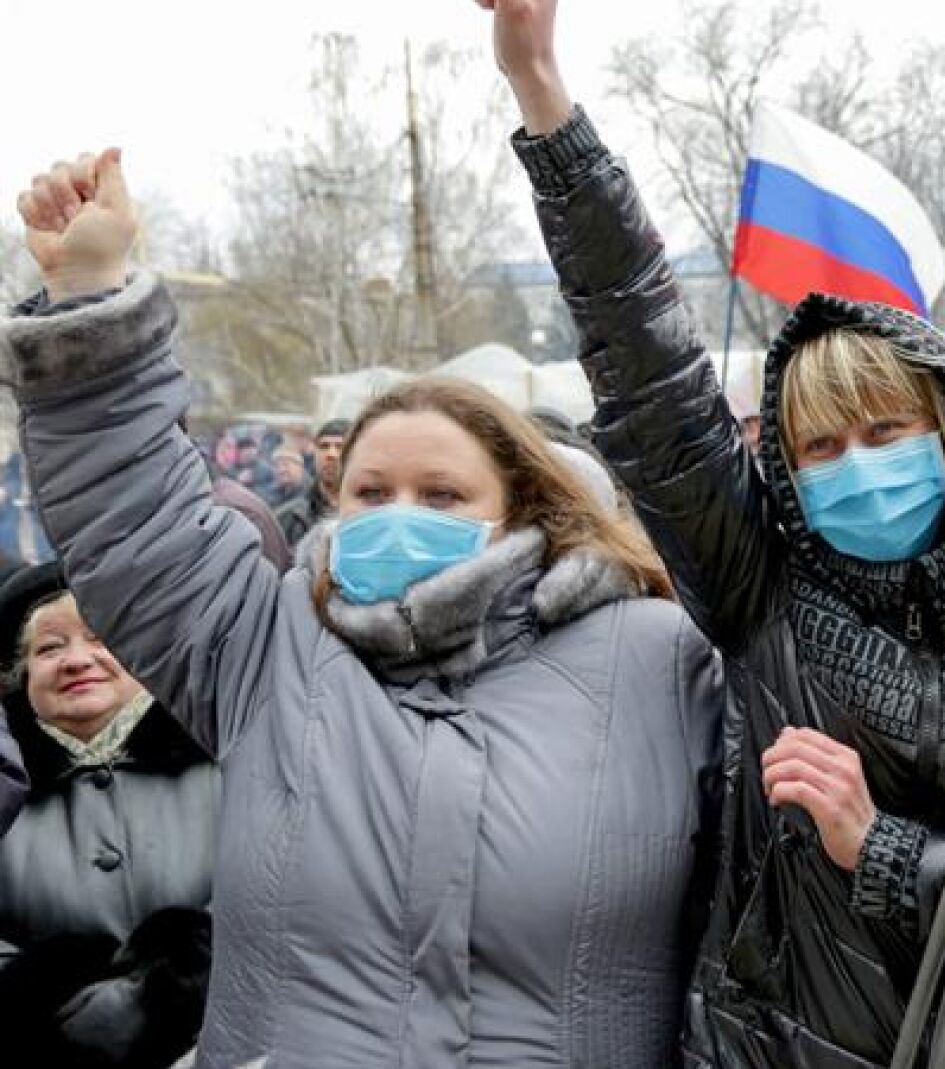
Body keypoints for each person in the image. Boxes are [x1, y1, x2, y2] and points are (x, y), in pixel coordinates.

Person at [486, 2, 945, 1064]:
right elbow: (648, 359)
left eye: (885, 429)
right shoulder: (761, 589)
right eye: (818, 447)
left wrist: (890, 852)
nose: (855, 464)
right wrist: (543, 96)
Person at [7, 148, 724, 1068]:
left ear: (521, 506)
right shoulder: (265, 644)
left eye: (441, 496)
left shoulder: (656, 659)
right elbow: (132, 513)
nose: (400, 519)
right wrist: (89, 290)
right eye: (372, 493)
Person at [0, 563, 217, 1068]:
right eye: (49, 648)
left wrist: (181, 986)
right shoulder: (7, 791)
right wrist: (40, 1004)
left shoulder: (224, 756)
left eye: (102, 639)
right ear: (20, 674)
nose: (77, 660)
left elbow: (280, 895)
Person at [274, 417, 348, 548]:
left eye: (340, 446)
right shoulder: (289, 517)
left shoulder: (371, 516)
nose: (331, 454)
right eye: (324, 446)